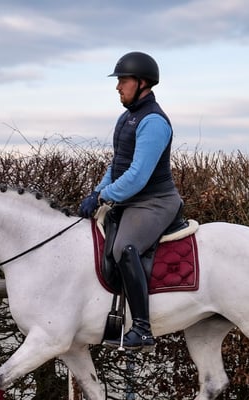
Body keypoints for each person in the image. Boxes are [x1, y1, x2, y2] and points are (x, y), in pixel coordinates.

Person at [78, 51, 183, 352]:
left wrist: (104, 196)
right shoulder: (127, 118)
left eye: (123, 80)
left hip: (155, 202)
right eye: (119, 81)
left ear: (142, 83)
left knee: (125, 248)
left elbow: (137, 176)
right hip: (131, 201)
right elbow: (118, 165)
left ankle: (142, 328)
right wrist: (97, 191)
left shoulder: (154, 122)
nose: (118, 87)